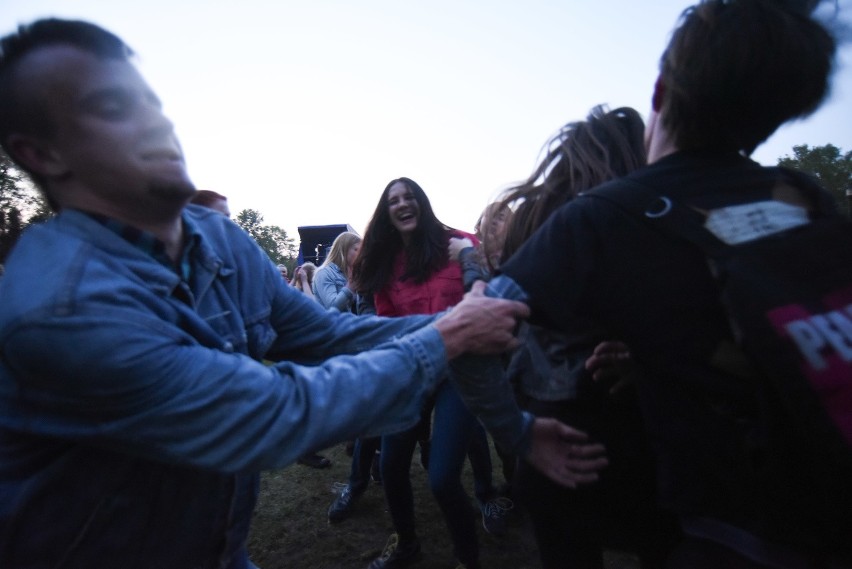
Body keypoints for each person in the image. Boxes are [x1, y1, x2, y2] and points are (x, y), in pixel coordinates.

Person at [0, 19, 605, 569]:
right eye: (112, 106)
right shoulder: (61, 311)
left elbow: (326, 336)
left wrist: (494, 389)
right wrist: (449, 334)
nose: (155, 120)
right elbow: (271, 413)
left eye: (149, 101)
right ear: (42, 153)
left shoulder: (216, 238)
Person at [455, 1, 850, 567]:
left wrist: (517, 432)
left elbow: (469, 339)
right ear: (773, 116)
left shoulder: (605, 217)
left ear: (663, 90)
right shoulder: (801, 195)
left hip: (719, 528)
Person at [352, 177, 511, 569]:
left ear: (422, 203)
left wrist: (468, 259)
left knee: (442, 479)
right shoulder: (387, 264)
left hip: (460, 372)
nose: (403, 204)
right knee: (390, 466)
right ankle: (407, 545)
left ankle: (467, 558)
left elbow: (489, 291)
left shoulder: (456, 245)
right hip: (414, 371)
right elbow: (387, 323)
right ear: (386, 212)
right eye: (394, 200)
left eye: (410, 197)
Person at [312, 230, 361, 312]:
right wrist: (349, 287)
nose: (360, 254)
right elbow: (332, 308)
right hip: (332, 324)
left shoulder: (352, 274)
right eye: (356, 249)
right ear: (343, 250)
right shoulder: (324, 273)